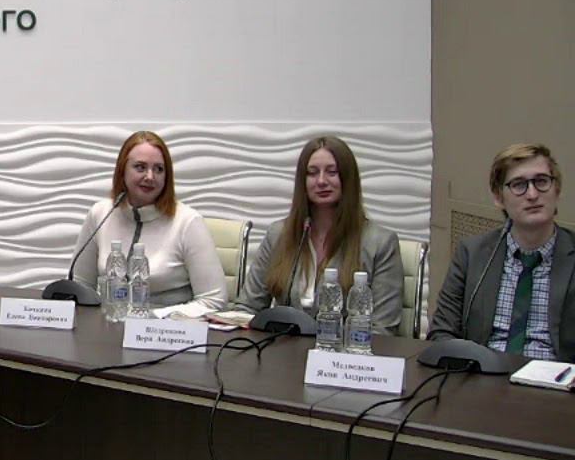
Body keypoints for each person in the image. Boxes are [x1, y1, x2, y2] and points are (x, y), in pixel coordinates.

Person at [233, 136, 404, 334]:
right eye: (312, 173)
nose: (321, 181)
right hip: (280, 349)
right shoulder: (278, 234)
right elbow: (247, 309)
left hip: (343, 352)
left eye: (332, 172)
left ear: (348, 179)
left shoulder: (380, 243)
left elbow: (382, 330)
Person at [430, 143, 574, 361]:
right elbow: (441, 333)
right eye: (519, 185)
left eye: (542, 181)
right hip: (484, 372)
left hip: (556, 377)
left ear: (557, 189)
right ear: (499, 198)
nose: (532, 194)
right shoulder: (472, 254)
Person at [71, 131, 226, 312]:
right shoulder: (100, 214)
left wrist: (153, 318)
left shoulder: (188, 222)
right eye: (140, 167)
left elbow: (214, 300)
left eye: (159, 169)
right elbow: (80, 289)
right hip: (109, 324)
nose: (150, 177)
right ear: (122, 170)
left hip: (167, 326)